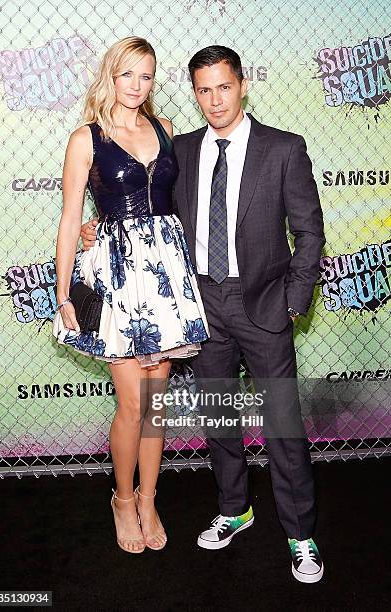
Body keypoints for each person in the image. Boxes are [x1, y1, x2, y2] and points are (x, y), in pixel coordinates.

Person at [81, 45, 325, 582]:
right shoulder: (180, 147)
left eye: (224, 87)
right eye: (204, 90)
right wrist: (96, 226)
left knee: (282, 423)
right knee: (220, 420)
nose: (215, 100)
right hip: (198, 305)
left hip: (263, 303)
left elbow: (309, 233)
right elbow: (142, 204)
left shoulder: (284, 148)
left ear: (242, 85)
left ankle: (301, 535)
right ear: (194, 93)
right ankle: (235, 510)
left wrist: (293, 301)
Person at [52, 36, 209, 554]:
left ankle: (148, 499)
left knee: (154, 405)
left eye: (146, 76)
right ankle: (122, 499)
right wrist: (64, 293)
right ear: (109, 77)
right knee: (129, 405)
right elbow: (72, 220)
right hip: (118, 275)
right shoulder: (86, 138)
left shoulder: (164, 130)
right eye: (127, 75)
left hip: (165, 272)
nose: (137, 86)